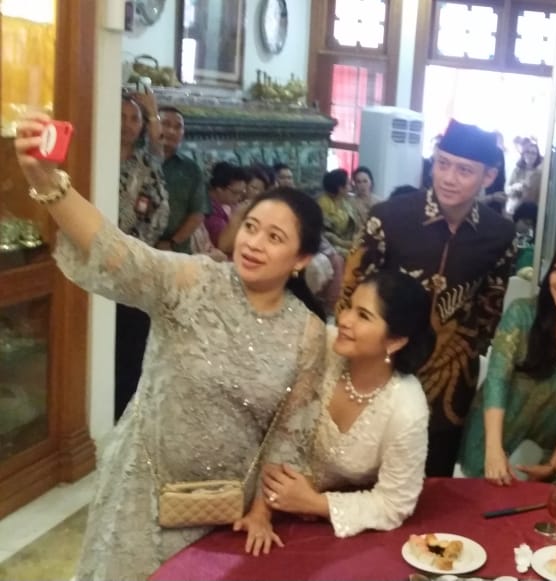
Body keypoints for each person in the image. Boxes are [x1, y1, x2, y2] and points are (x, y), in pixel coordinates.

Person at [12, 112, 327, 580]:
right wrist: (49, 183)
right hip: (142, 491)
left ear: (301, 259)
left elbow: (289, 435)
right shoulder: (193, 280)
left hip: (225, 508)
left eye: (275, 237)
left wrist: (263, 509)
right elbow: (119, 253)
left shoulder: (308, 332)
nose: (254, 243)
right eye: (251, 226)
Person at [337, 119, 516, 477]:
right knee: (361, 468)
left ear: (489, 176)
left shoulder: (499, 233)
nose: (449, 178)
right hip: (380, 361)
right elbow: (351, 291)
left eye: (464, 170)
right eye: (443, 164)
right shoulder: (390, 217)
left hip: (449, 378)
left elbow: (490, 305)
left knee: (433, 477)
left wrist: (464, 351)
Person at [235, 271, 435, 553]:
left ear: (395, 341)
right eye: (349, 306)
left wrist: (314, 503)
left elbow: (394, 504)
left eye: (363, 316)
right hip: (249, 483)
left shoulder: (406, 409)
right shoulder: (322, 345)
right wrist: (261, 511)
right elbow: (277, 423)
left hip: (318, 525)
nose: (344, 319)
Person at [458, 238, 556, 482]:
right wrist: (493, 449)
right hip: (491, 434)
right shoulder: (522, 313)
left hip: (545, 449)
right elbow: (497, 379)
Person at [115, 93, 170, 420]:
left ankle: (131, 410)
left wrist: (151, 112)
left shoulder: (147, 162)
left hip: (139, 261)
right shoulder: (97, 155)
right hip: (105, 257)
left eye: (133, 118)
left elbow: (158, 145)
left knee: (135, 341)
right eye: (121, 117)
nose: (127, 125)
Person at [156, 106, 207, 254]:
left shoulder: (191, 169)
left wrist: (172, 242)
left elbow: (198, 212)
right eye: (166, 124)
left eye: (178, 127)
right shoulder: (138, 160)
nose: (172, 131)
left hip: (175, 251)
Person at [204, 162, 249, 246]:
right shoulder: (210, 213)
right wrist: (237, 216)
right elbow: (225, 246)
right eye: (235, 193)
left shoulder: (225, 205)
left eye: (241, 193)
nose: (239, 197)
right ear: (219, 189)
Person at [317, 169, 354, 255]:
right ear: (340, 188)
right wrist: (343, 243)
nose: (351, 187)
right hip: (329, 247)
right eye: (348, 184)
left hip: (347, 243)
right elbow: (323, 233)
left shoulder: (345, 202)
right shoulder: (323, 203)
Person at [507, 138, 544, 210]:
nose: (530, 155)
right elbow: (507, 189)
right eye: (528, 152)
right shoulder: (516, 170)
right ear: (523, 154)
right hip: (513, 208)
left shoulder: (540, 175)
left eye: (533, 153)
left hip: (530, 211)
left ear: (537, 157)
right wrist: (514, 188)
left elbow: (540, 198)